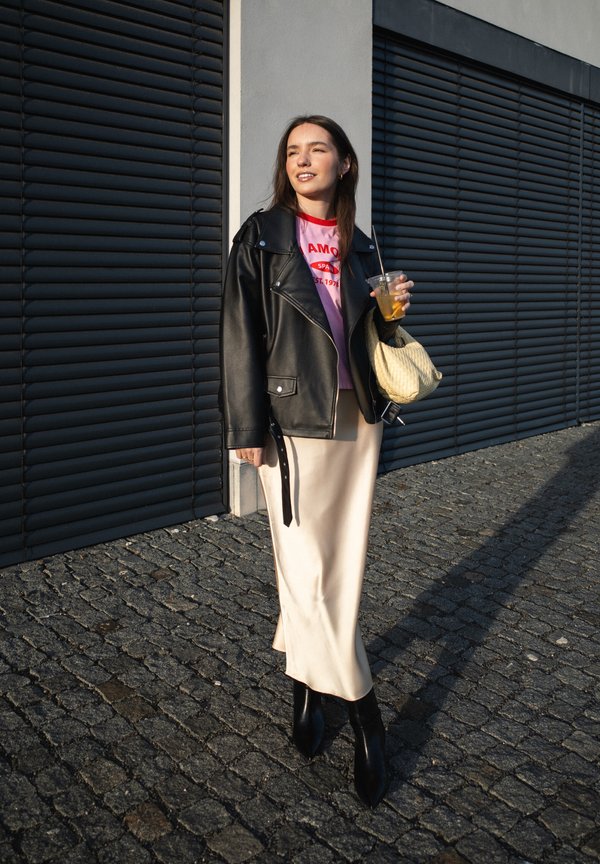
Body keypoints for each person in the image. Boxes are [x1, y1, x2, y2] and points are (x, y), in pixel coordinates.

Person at [220, 115, 412, 807]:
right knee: (305, 565)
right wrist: (245, 423)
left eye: (317, 149)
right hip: (291, 417)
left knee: (339, 566)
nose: (303, 160)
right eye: (293, 151)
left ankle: (305, 688)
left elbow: (367, 333)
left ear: (344, 164)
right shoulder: (263, 235)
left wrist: (390, 312)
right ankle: (365, 714)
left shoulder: (362, 241)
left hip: (358, 419)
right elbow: (240, 329)